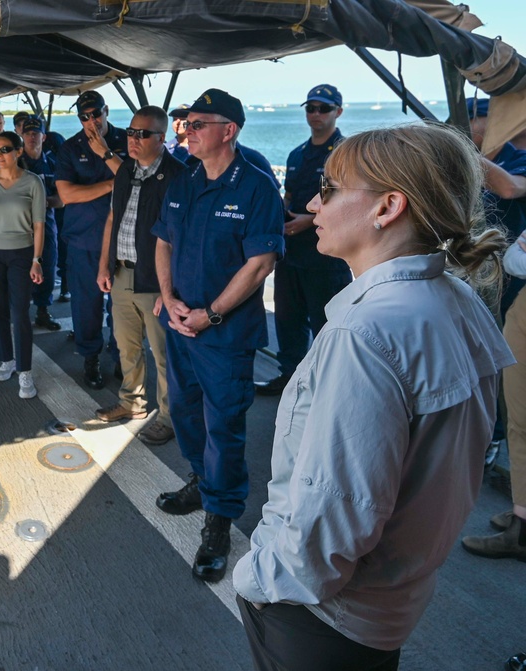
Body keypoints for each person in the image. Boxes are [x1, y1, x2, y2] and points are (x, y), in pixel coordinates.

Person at [232, 122, 513, 671]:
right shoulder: (456, 298)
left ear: (387, 208)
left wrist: (260, 579)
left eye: (330, 189)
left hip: (321, 617)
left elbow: (334, 515)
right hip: (390, 604)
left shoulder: (363, 334)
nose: (314, 203)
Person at [152, 89, 284, 583]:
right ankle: (200, 482)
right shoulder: (185, 180)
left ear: (228, 131)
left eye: (197, 123)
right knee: (186, 413)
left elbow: (261, 264)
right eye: (184, 122)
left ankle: (219, 522)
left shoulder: (255, 185)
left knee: (223, 427)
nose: (185, 130)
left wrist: (209, 313)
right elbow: (164, 240)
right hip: (181, 324)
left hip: (222, 335)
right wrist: (168, 297)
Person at [461, 98, 526, 562]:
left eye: (475, 117)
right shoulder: (502, 156)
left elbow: (507, 190)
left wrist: (462, 151)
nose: (470, 125)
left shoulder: (513, 161)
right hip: (491, 273)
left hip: (511, 284)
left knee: (514, 396)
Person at [256, 84, 353, 395]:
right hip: (292, 253)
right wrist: (281, 213)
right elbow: (289, 194)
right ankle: (290, 379)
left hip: (326, 256)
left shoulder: (345, 153)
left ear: (338, 111)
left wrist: (307, 221)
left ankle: (326, 388)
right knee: (288, 320)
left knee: (326, 324)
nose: (315, 114)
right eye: (310, 108)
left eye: (323, 108)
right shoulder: (297, 153)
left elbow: (349, 200)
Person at [96, 106, 184, 446]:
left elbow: (182, 239)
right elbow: (112, 218)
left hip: (155, 282)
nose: (133, 139)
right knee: (126, 345)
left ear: (161, 138)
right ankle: (131, 402)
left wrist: (169, 289)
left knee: (163, 354)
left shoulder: (178, 176)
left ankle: (168, 416)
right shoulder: (125, 170)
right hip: (122, 273)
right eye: (131, 132)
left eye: (142, 134)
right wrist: (104, 265)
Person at [55, 90, 128, 389]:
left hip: (125, 240)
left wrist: (107, 156)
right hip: (84, 238)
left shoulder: (128, 140)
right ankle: (90, 357)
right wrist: (114, 183)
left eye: (95, 113)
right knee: (86, 305)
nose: (91, 121)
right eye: (84, 116)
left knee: (123, 306)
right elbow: (67, 194)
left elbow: (140, 180)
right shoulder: (70, 148)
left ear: (106, 111)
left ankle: (123, 356)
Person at [0, 131, 46, 399]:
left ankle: (25, 371)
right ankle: (7, 360)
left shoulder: (33, 182)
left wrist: (37, 260)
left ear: (18, 151)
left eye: (5, 150)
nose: (0, 155)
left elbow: (39, 225)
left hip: (22, 255)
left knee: (20, 313)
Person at [20, 116, 62, 331]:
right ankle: (18, 313)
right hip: (18, 227)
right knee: (19, 270)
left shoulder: (53, 163)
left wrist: (44, 202)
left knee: (46, 267)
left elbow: (63, 197)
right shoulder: (14, 163)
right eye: (27, 133)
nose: (31, 137)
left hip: (46, 226)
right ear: (21, 135)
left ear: (44, 137)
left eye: (36, 133)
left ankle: (43, 311)